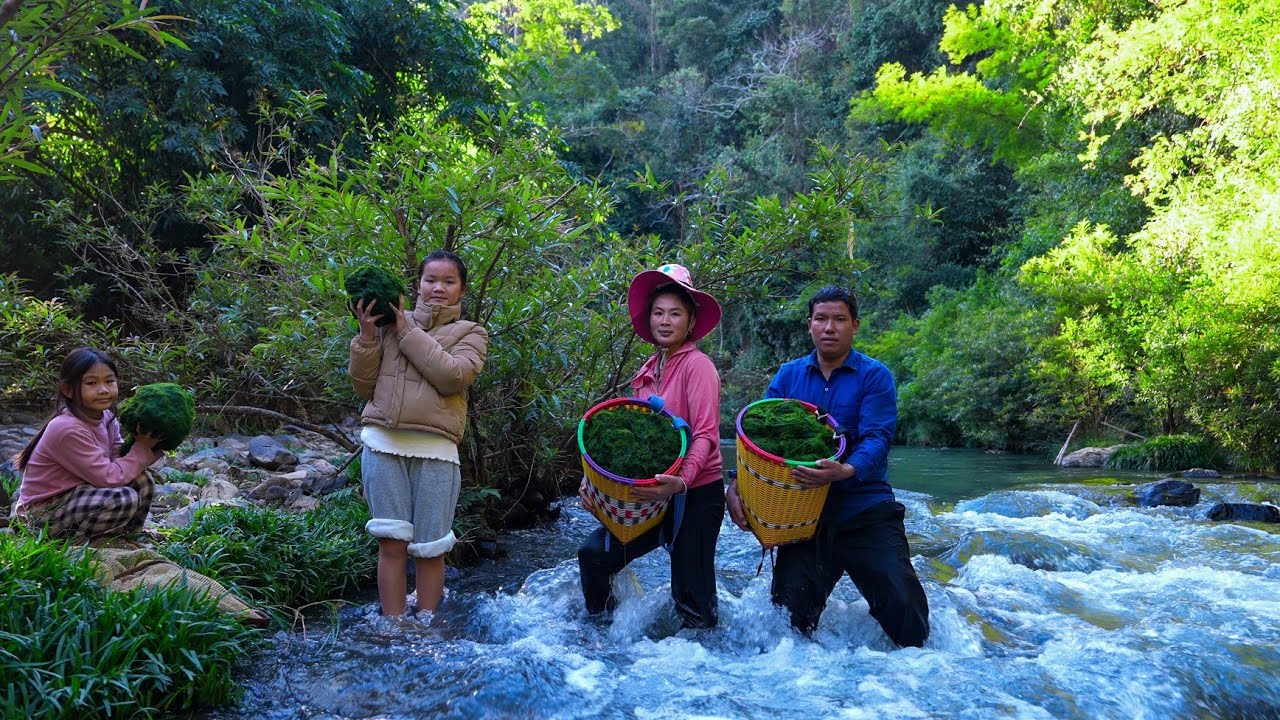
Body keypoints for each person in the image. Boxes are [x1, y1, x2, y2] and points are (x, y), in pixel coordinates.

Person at [727, 285, 930, 647]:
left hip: (865, 510)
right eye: (821, 319)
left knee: (906, 609)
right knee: (787, 626)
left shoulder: (875, 376)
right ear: (810, 325)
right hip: (803, 517)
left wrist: (846, 470)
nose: (829, 327)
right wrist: (737, 486)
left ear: (855, 325)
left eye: (839, 319)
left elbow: (878, 437)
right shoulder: (789, 376)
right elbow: (757, 440)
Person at [577, 263, 726, 629]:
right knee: (594, 555)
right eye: (658, 313)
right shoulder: (647, 372)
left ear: (690, 322)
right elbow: (631, 442)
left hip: (697, 493)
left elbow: (706, 434)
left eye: (675, 313)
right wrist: (594, 484)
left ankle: (705, 654)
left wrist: (682, 481)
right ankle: (603, 636)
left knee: (691, 598)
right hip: (653, 495)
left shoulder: (698, 367)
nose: (665, 321)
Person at [349, 249, 488, 618]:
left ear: (462, 290)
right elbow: (364, 387)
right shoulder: (388, 324)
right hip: (383, 445)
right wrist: (367, 337)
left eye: (448, 281)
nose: (438, 288)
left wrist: (406, 331)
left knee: (430, 549)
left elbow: (452, 377)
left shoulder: (472, 333)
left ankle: (427, 631)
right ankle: (393, 628)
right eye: (430, 280)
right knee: (391, 543)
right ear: (418, 284)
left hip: (436, 452)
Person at [11, 347, 163, 541]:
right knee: (123, 498)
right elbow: (108, 477)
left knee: (143, 482)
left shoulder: (107, 417)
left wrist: (149, 443)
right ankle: (75, 542)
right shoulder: (67, 429)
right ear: (68, 390)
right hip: (43, 513)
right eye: (91, 383)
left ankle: (125, 537)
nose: (103, 389)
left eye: (109, 381)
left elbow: (118, 457)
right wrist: (141, 449)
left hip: (78, 494)